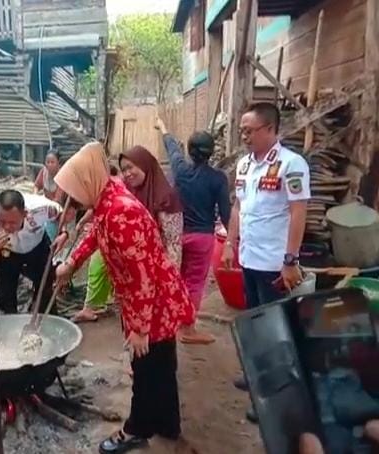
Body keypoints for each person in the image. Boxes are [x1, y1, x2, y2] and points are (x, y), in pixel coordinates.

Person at [54, 142, 195, 454]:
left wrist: (141, 327)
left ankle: (137, 428)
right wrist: (71, 263)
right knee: (160, 366)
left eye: (75, 190)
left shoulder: (121, 212)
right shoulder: (107, 200)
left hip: (151, 301)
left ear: (89, 180)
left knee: (146, 367)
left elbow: (143, 272)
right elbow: (95, 233)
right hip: (146, 297)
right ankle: (167, 425)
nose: (73, 198)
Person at [221, 102, 310, 423]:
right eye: (242, 131)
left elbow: (299, 212)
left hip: (275, 262)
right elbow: (236, 208)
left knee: (278, 328)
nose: (244, 136)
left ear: (271, 129)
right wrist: (230, 244)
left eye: (249, 131)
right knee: (256, 321)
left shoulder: (292, 164)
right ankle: (260, 376)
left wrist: (291, 260)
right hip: (250, 258)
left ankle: (278, 396)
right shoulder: (245, 165)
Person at [157, 117, 231, 345]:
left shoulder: (180, 171)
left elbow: (171, 148)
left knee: (175, 280)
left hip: (177, 236)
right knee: (194, 283)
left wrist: (163, 126)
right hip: (203, 238)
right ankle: (188, 328)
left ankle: (169, 323)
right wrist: (233, 242)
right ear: (211, 153)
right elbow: (227, 213)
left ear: (190, 151)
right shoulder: (219, 178)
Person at [0, 190, 67, 314]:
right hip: (8, 251)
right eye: (2, 222)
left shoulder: (41, 209)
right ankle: (9, 324)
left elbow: (61, 213)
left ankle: (47, 320)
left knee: (44, 287)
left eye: (12, 222)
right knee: (6, 292)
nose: (7, 227)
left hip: (38, 246)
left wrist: (64, 233)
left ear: (25, 213)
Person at [72, 165, 122, 323]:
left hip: (114, 237)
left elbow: (99, 218)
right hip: (109, 236)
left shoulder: (114, 191)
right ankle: (100, 303)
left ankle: (91, 306)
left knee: (97, 266)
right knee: (103, 268)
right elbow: (95, 212)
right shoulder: (107, 191)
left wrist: (72, 262)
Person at [119, 146, 184, 268]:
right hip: (133, 269)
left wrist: (170, 278)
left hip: (158, 268)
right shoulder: (128, 195)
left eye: (130, 167)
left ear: (144, 165)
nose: (127, 174)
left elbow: (173, 244)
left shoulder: (165, 198)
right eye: (123, 170)